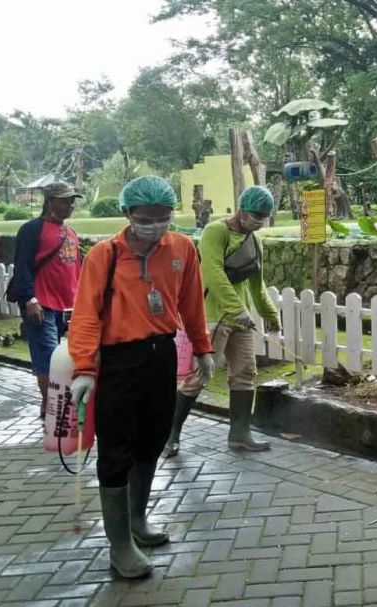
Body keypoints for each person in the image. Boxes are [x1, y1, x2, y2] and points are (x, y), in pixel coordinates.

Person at [67, 176, 214, 579]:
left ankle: (137, 520)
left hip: (160, 354)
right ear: (126, 214)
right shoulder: (105, 255)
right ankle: (119, 546)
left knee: (151, 439)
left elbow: (191, 302)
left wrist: (203, 348)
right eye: (146, 218)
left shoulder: (182, 248)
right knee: (117, 448)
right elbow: (85, 315)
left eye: (163, 217)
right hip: (118, 360)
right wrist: (84, 368)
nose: (155, 225)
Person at [166, 185, 281, 458]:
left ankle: (240, 435)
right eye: (256, 215)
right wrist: (236, 308)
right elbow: (213, 272)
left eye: (264, 216)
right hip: (214, 316)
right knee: (199, 377)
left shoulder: (254, 241)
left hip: (240, 320)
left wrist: (269, 314)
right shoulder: (216, 232)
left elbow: (256, 283)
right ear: (242, 210)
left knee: (245, 373)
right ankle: (170, 436)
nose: (259, 221)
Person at [12, 182, 83, 418]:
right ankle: (51, 404)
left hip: (69, 306)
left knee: (69, 357)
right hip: (42, 304)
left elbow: (76, 269)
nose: (70, 205)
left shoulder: (70, 232)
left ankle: (62, 400)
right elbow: (22, 266)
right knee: (48, 357)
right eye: (65, 201)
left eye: (72, 201)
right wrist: (29, 299)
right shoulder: (32, 230)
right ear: (50, 202)